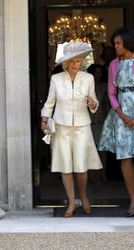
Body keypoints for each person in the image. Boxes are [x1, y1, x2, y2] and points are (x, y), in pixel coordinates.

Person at [41, 41, 102, 218]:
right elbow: (49, 102)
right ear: (66, 63)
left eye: (79, 61)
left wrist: (92, 103)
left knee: (81, 167)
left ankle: (83, 195)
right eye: (73, 61)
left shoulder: (88, 78)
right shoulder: (56, 79)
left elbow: (95, 103)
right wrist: (45, 118)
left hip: (82, 126)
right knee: (65, 167)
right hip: (61, 126)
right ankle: (71, 201)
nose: (77, 64)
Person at [98, 27, 134, 217]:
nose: (116, 46)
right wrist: (122, 115)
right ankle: (133, 201)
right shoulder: (114, 64)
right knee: (125, 158)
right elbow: (112, 93)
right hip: (121, 116)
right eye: (115, 43)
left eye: (118, 43)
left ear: (128, 42)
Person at [87, 64, 111, 183]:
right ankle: (91, 176)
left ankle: (103, 174)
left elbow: (107, 105)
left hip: (101, 121)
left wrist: (108, 120)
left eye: (100, 73)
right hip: (89, 123)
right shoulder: (86, 87)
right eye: (96, 73)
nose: (98, 75)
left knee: (103, 150)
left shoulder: (105, 87)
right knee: (90, 149)